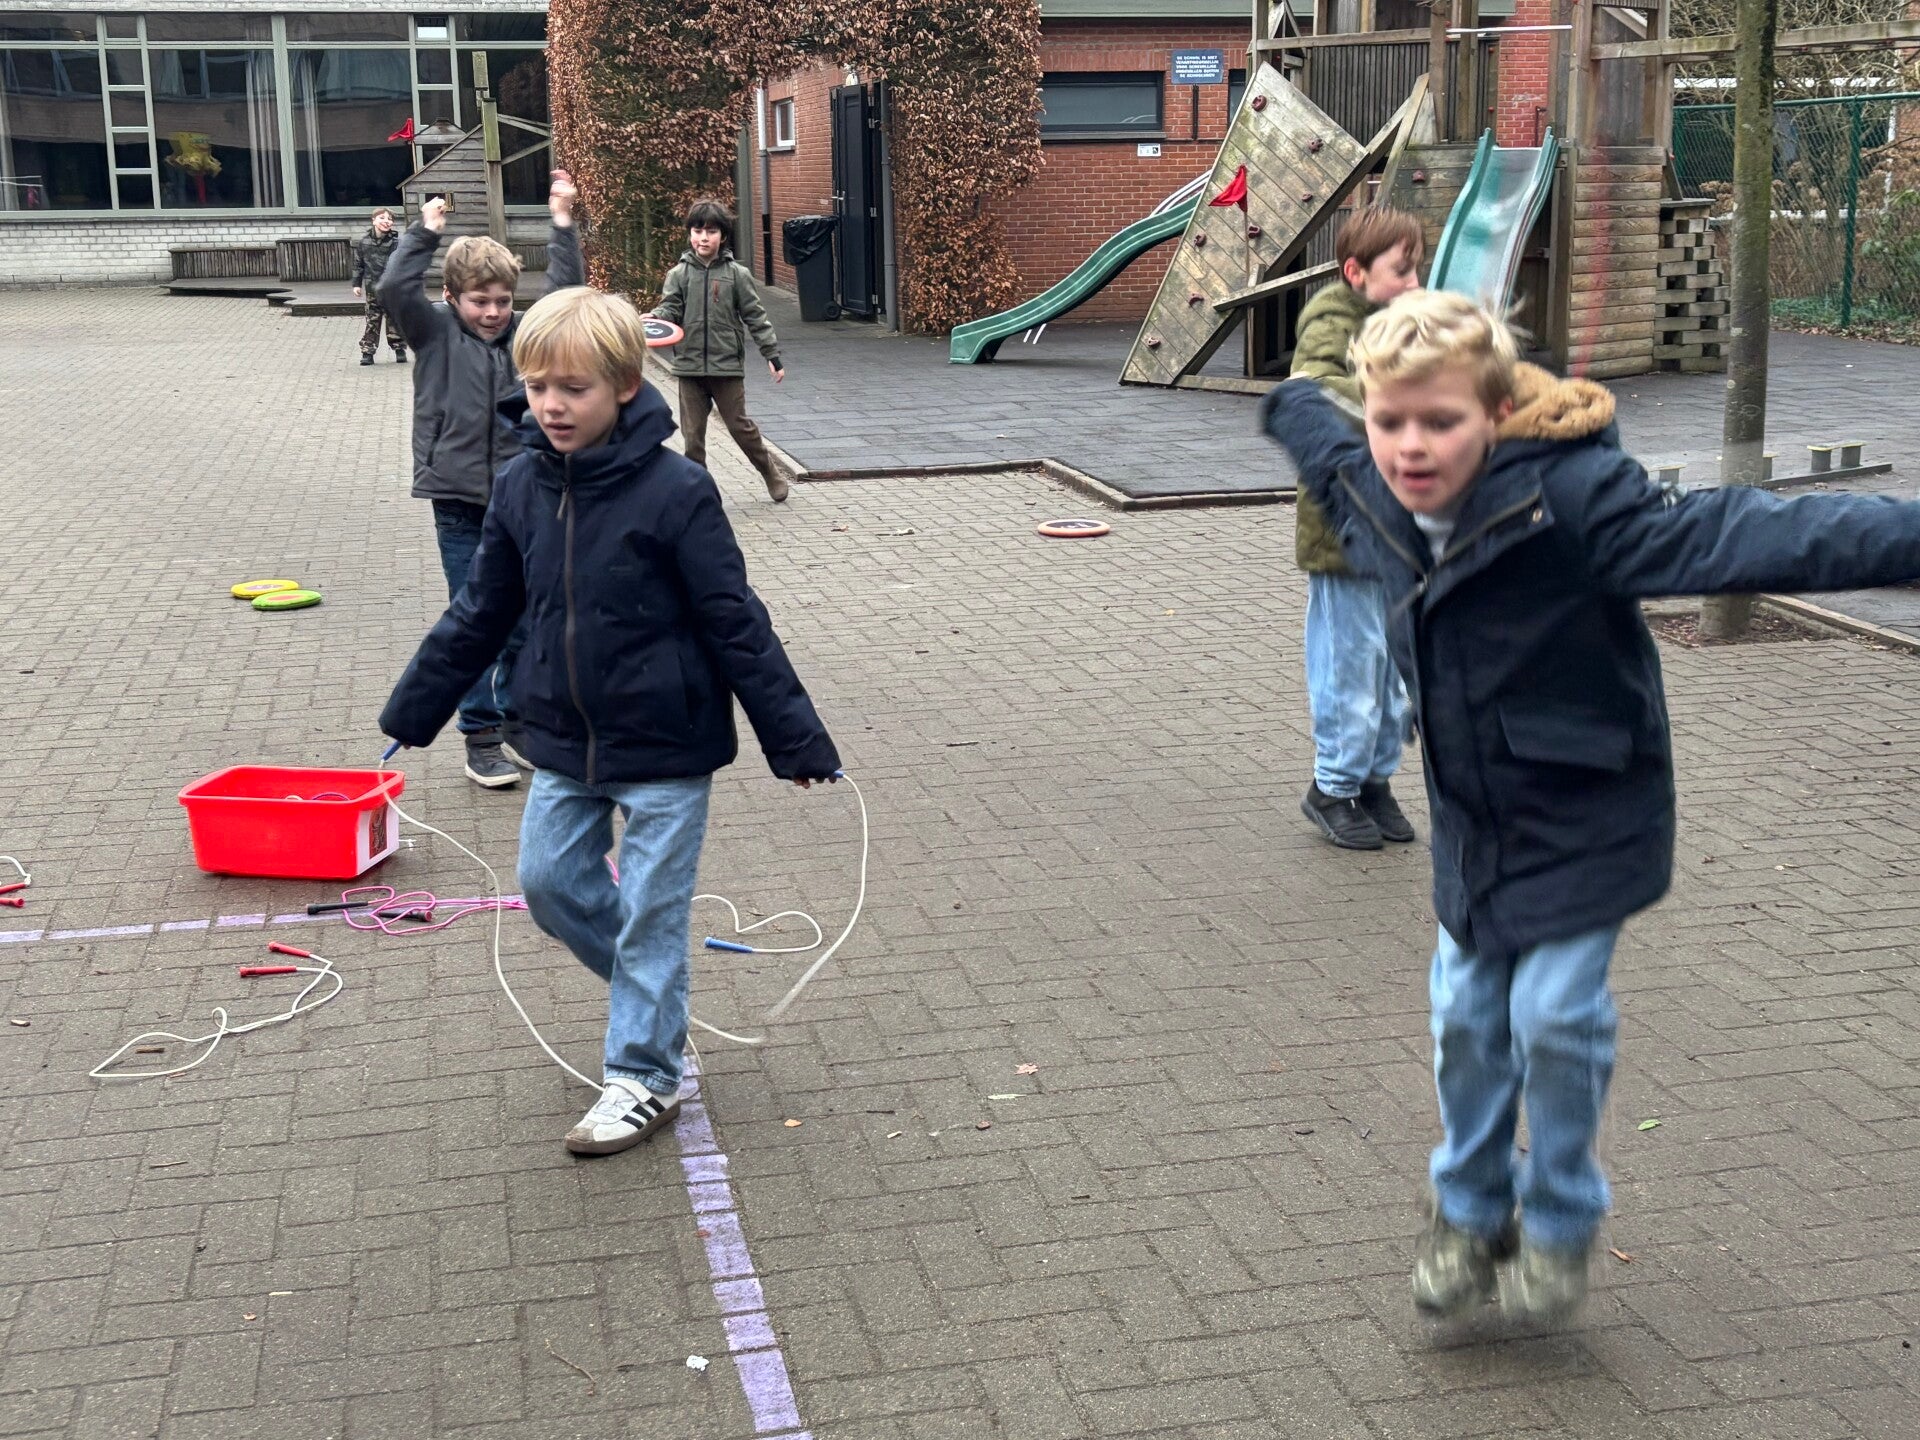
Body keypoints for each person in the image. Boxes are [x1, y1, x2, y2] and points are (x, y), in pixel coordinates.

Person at [1261, 290, 1920, 1322]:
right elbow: (1321, 437)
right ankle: (1470, 1210)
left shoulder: (1572, 501)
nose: (1412, 446)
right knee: (1466, 1021)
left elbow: (1752, 531)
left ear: (1497, 413)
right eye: (1391, 421)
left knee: (1553, 1014)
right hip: (1477, 827)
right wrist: (1293, 398)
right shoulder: (1374, 497)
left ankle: (1561, 1217)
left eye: (1441, 421)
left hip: (1588, 810)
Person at [379, 285, 842, 1156]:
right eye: (538, 386)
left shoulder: (679, 491)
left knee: (655, 915)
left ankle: (644, 1074)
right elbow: (480, 611)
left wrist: (796, 738)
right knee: (550, 885)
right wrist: (417, 707)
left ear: (626, 386)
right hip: (559, 739)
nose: (551, 405)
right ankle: (654, 1002)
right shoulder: (519, 484)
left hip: (669, 746)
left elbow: (735, 621)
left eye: (574, 388)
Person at [378, 172, 584, 789]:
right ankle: (481, 736)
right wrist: (424, 232)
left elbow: (566, 295)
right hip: (460, 501)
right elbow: (393, 286)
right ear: (451, 296)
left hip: (525, 498)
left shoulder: (526, 337)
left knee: (527, 617)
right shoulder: (433, 331)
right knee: (476, 621)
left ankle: (520, 723)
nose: (493, 313)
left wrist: (562, 221)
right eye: (479, 301)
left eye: (502, 301)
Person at [1287, 205, 1425, 851]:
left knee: (1394, 670)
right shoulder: (1330, 321)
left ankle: (1374, 780)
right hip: (1343, 531)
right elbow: (1315, 387)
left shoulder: (1404, 322)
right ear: (1356, 273)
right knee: (1351, 664)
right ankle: (1333, 786)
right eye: (1402, 270)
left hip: (1400, 530)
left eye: (1417, 268)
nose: (1414, 282)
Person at [650, 198, 791, 502]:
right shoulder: (678, 274)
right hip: (689, 368)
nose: (703, 238)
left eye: (711, 231)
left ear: (723, 236)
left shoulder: (736, 274)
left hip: (726, 367)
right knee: (692, 438)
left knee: (740, 428)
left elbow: (755, 316)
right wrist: (655, 319)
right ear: (690, 233)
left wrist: (771, 354)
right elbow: (669, 308)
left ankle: (770, 472)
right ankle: (698, 493)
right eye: (698, 231)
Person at [349, 207, 405, 366]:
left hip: (392, 289)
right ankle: (367, 352)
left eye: (389, 219)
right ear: (373, 220)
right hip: (372, 288)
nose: (386, 221)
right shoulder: (364, 242)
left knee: (394, 320)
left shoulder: (397, 242)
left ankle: (399, 348)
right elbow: (358, 265)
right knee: (372, 321)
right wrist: (356, 284)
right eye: (382, 218)